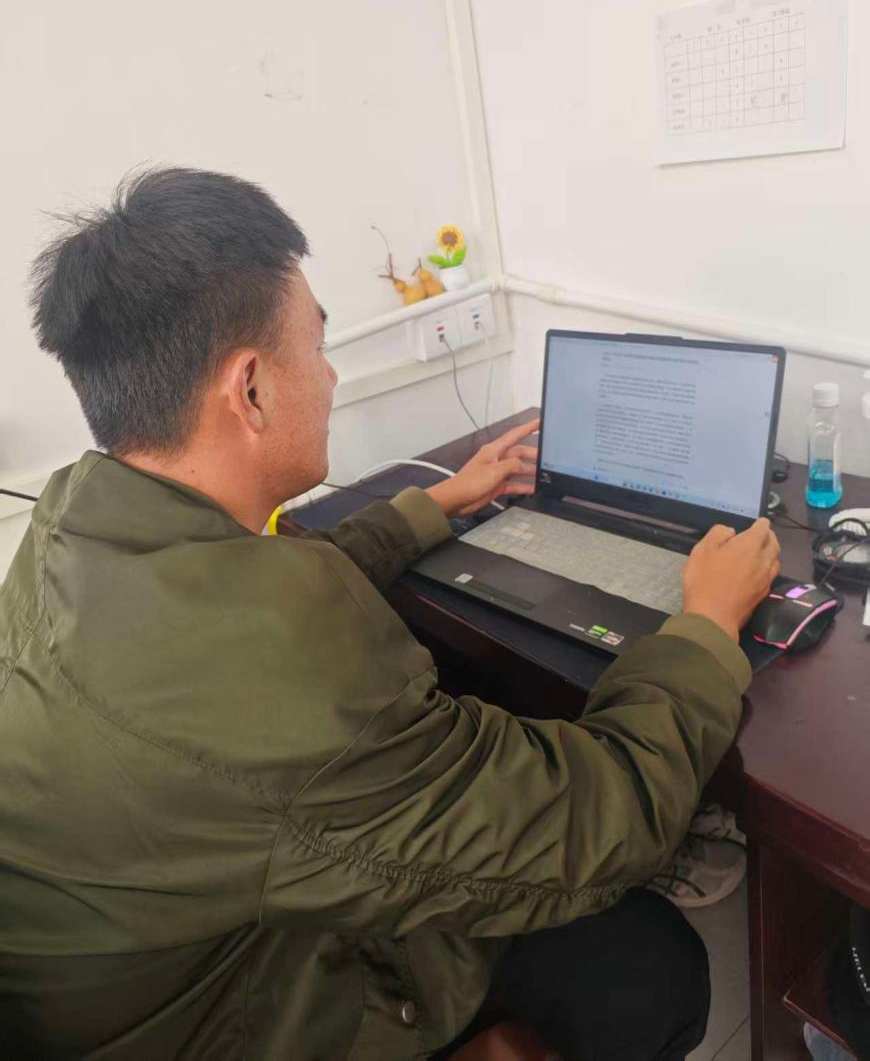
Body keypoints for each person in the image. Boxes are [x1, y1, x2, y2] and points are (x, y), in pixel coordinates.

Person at [0, 168, 781, 1061]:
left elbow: (256, 594)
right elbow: (600, 823)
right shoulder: (278, 668)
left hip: (179, 956)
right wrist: (704, 627)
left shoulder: (72, 527)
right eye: (318, 345)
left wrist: (433, 506)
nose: (331, 376)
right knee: (651, 965)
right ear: (250, 389)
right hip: (250, 1012)